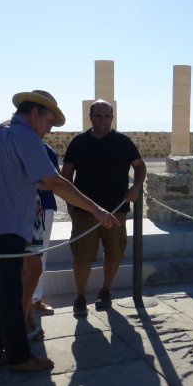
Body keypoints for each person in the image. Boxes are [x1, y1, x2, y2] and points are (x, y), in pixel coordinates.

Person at [0, 90, 120, 373]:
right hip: (4, 227)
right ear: (34, 113)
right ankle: (19, 357)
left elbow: (8, 175)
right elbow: (56, 182)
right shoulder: (24, 136)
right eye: (49, 121)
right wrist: (97, 210)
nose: (50, 129)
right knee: (10, 295)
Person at [61, 99, 147, 317]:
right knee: (81, 257)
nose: (102, 120)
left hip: (116, 210)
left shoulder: (123, 142)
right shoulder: (78, 142)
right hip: (85, 212)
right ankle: (79, 297)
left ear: (112, 118)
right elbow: (66, 175)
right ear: (90, 117)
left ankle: (105, 291)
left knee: (114, 253)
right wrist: (71, 204)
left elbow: (140, 167)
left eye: (107, 116)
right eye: (98, 116)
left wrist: (136, 187)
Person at [22, 144, 59, 343]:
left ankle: (35, 300)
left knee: (39, 257)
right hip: (18, 208)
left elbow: (53, 182)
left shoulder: (47, 151)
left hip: (43, 206)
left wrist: (29, 184)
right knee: (21, 261)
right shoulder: (15, 145)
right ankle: (22, 305)